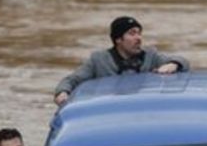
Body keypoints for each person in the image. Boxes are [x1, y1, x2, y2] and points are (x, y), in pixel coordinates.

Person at [53, 16, 190, 105]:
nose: (138, 38)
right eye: (132, 33)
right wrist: (62, 93)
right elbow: (71, 80)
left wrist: (173, 65)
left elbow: (183, 61)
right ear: (118, 39)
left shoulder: (151, 55)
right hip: (110, 112)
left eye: (139, 33)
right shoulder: (99, 60)